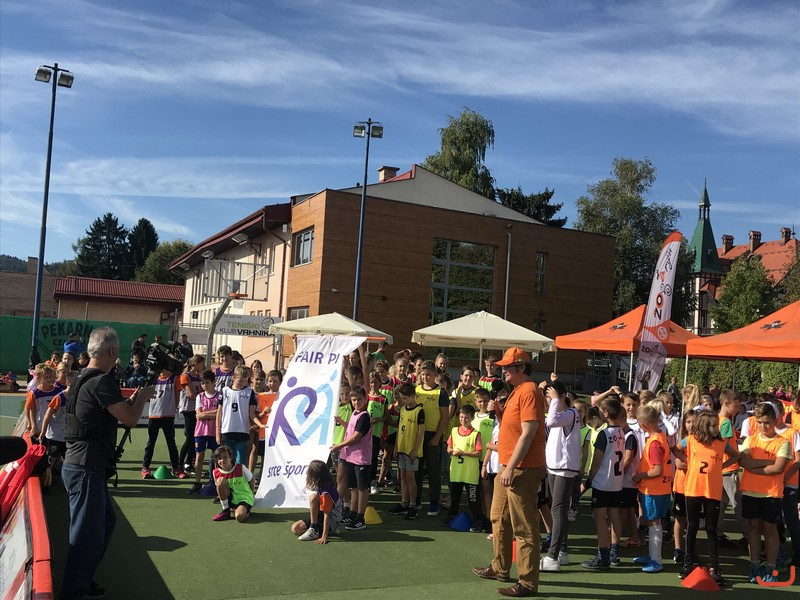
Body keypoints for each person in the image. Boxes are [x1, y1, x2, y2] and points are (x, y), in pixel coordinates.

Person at [60, 327, 152, 600]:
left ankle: (82, 581)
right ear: (112, 351)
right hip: (86, 465)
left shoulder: (83, 378)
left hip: (83, 463)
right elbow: (131, 419)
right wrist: (143, 398)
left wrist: (131, 400)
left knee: (103, 522)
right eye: (117, 350)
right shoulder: (102, 381)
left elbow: (111, 411)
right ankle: (74, 591)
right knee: (87, 533)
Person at [473, 347, 547, 598]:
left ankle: (527, 582)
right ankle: (500, 567)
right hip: (510, 466)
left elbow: (528, 433)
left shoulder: (529, 391)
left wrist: (512, 466)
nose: (503, 370)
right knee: (499, 518)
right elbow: (515, 428)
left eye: (508, 366)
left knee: (524, 527)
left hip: (521, 468)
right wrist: (499, 412)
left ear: (521, 368)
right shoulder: (518, 391)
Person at [677, 411, 738, 586]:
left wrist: (721, 466)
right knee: (692, 526)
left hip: (712, 491)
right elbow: (675, 448)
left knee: (711, 529)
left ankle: (714, 567)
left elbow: (736, 455)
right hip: (693, 489)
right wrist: (687, 461)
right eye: (712, 425)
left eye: (716, 425)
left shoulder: (721, 443)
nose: (716, 428)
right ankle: (688, 564)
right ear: (703, 426)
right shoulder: (691, 440)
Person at [739, 402, 791, 583]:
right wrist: (768, 463)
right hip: (750, 491)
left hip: (771, 493)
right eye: (759, 422)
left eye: (767, 422)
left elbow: (778, 468)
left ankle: (771, 567)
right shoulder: (750, 440)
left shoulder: (783, 442)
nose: (763, 426)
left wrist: (754, 466)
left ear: (775, 421)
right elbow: (743, 462)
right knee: (753, 528)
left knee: (770, 530)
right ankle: (754, 565)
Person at [540, 379, 581, 572]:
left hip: (564, 467)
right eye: (548, 398)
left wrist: (556, 398)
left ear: (563, 396)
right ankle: (562, 551)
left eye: (552, 397)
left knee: (557, 510)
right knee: (559, 510)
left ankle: (552, 557)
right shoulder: (559, 413)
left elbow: (551, 421)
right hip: (554, 466)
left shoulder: (571, 413)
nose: (550, 401)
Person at [581, 397, 625, 571]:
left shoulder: (604, 434)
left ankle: (603, 557)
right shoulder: (621, 432)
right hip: (616, 482)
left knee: (600, 518)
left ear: (605, 413)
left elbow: (597, 461)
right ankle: (614, 551)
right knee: (614, 516)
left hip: (603, 482)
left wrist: (589, 480)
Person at [631, 404, 674, 574]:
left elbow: (657, 470)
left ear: (643, 425)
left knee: (654, 523)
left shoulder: (655, 443)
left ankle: (656, 560)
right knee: (653, 522)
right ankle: (652, 555)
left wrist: (639, 476)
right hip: (660, 488)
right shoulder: (661, 437)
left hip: (654, 489)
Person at [331, 387, 372, 531]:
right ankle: (353, 513)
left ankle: (361, 518)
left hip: (361, 458)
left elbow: (356, 437)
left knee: (362, 488)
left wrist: (339, 446)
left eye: (359, 399)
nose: (356, 402)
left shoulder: (364, 416)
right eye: (354, 400)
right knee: (354, 487)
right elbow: (350, 429)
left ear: (365, 399)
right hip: (350, 457)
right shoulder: (355, 413)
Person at [414, 360, 450, 516]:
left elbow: (445, 417)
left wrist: (437, 437)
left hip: (432, 434)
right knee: (417, 470)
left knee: (434, 471)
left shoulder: (441, 392)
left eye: (428, 375)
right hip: (417, 434)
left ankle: (434, 502)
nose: (425, 377)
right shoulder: (416, 390)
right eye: (423, 374)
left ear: (435, 375)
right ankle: (416, 500)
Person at [388, 383, 425, 519]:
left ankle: (413, 505)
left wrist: (415, 449)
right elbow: (399, 428)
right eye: (401, 398)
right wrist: (396, 446)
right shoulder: (403, 410)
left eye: (404, 398)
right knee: (402, 476)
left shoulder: (419, 411)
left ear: (412, 396)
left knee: (410, 478)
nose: (402, 401)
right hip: (402, 449)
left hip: (411, 451)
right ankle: (404, 503)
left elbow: (421, 432)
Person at [141, 368, 185, 479]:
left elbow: (177, 396)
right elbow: (145, 392)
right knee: (151, 442)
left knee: (171, 442)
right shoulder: (153, 378)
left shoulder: (174, 379)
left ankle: (176, 467)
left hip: (168, 415)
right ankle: (145, 467)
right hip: (154, 414)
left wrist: (175, 408)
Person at [445, 404, 483, 530]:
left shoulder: (476, 434)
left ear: (472, 418)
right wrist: (451, 451)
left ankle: (477, 520)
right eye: (461, 417)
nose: (463, 420)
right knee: (455, 496)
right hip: (456, 471)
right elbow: (449, 447)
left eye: (466, 418)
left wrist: (463, 453)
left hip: (469, 473)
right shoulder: (454, 431)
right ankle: (451, 515)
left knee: (473, 498)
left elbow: (479, 453)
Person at [292, 460, 344, 543]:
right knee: (295, 528)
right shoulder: (322, 486)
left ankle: (315, 530)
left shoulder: (326, 492)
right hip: (321, 517)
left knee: (313, 497)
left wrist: (324, 536)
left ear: (315, 475)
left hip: (331, 520)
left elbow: (327, 514)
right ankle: (315, 527)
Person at [215, 365, 257, 465]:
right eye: (240, 381)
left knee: (240, 462)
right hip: (227, 431)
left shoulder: (249, 392)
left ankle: (240, 476)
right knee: (226, 461)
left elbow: (252, 414)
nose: (243, 383)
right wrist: (217, 433)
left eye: (245, 381)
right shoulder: (225, 391)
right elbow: (219, 413)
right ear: (234, 378)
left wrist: (260, 424)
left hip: (242, 432)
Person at [189, 369, 220, 494]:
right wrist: (213, 414)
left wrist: (205, 414)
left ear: (213, 382)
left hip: (214, 431)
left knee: (216, 457)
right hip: (201, 431)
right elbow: (198, 415)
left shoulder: (220, 396)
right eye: (202, 383)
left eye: (207, 382)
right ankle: (197, 482)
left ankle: (215, 482)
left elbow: (220, 413)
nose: (205, 385)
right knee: (199, 456)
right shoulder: (200, 397)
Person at [211, 445, 255, 523]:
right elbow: (220, 489)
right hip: (230, 497)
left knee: (239, 517)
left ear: (231, 458)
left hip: (243, 498)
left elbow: (252, 480)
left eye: (225, 457)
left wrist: (251, 494)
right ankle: (226, 510)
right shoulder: (216, 472)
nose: (222, 460)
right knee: (220, 481)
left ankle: (245, 511)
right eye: (219, 458)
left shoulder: (241, 468)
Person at [250, 369, 281, 476]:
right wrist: (263, 413)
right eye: (270, 381)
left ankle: (263, 476)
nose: (272, 384)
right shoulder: (261, 396)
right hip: (262, 431)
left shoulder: (283, 395)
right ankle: (250, 475)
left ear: (280, 382)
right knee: (256, 452)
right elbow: (255, 415)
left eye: (275, 381)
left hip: (277, 432)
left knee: (269, 456)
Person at [178, 355, 205, 474]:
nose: (203, 366)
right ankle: (179, 464)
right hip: (189, 409)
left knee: (195, 437)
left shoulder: (199, 377)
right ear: (195, 364)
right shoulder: (185, 376)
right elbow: (190, 394)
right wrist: (202, 400)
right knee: (190, 437)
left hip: (197, 409)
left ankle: (188, 463)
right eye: (202, 364)